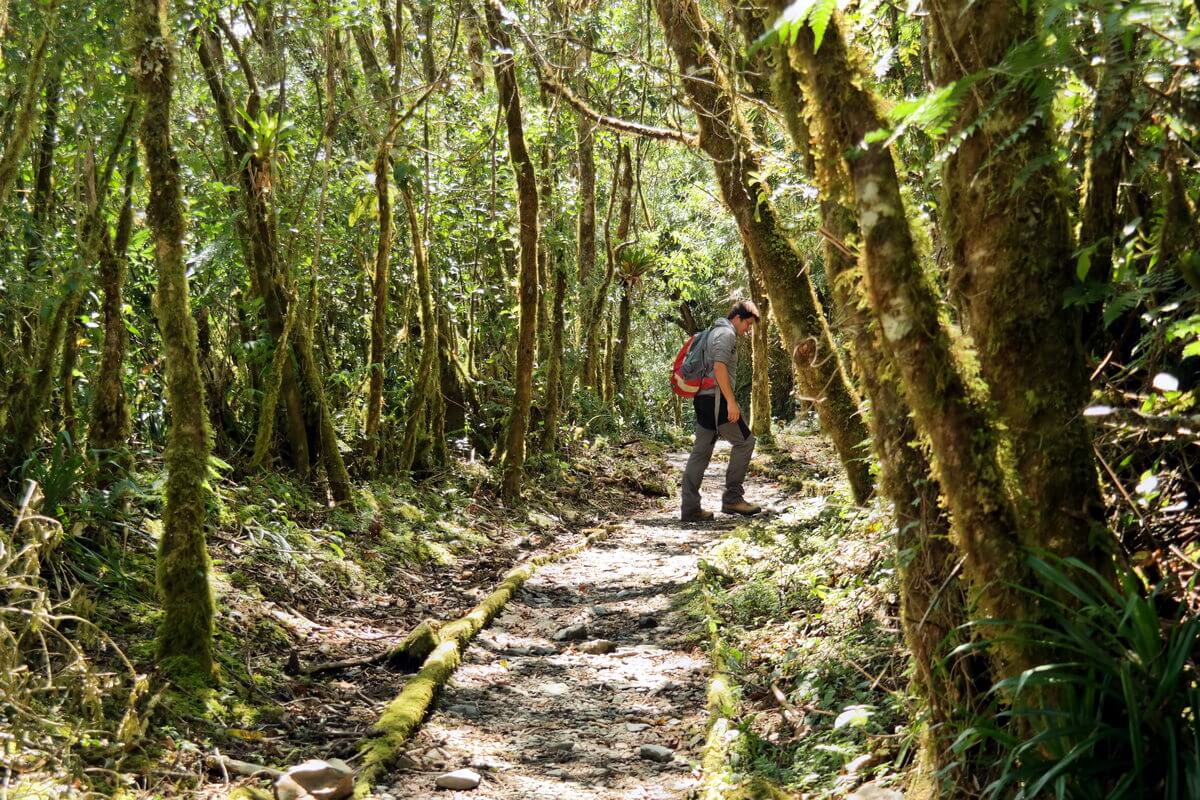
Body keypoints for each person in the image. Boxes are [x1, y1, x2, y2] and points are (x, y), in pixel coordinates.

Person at [680, 300, 762, 521]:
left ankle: (690, 508)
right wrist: (731, 402)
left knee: (700, 453)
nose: (748, 330)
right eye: (748, 325)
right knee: (745, 442)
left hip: (703, 399)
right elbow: (719, 367)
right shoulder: (726, 334)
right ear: (738, 318)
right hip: (717, 401)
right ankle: (733, 499)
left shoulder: (712, 332)